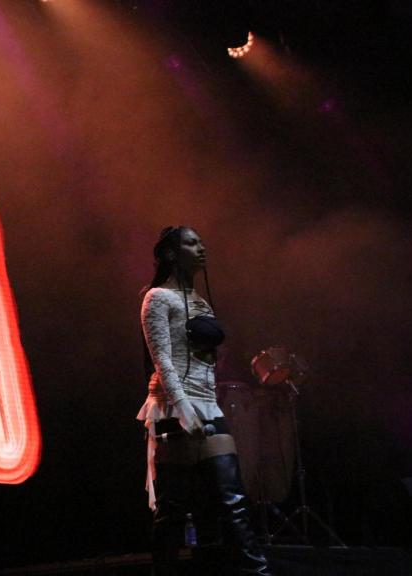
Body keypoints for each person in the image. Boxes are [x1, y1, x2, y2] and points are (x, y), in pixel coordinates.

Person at [137, 226, 271, 575]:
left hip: (207, 402)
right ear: (170, 253)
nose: (201, 248)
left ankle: (259, 572)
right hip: (171, 403)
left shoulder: (200, 300)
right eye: (191, 243)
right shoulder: (157, 299)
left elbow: (206, 359)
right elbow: (162, 358)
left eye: (201, 242)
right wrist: (182, 408)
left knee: (233, 500)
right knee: (173, 511)